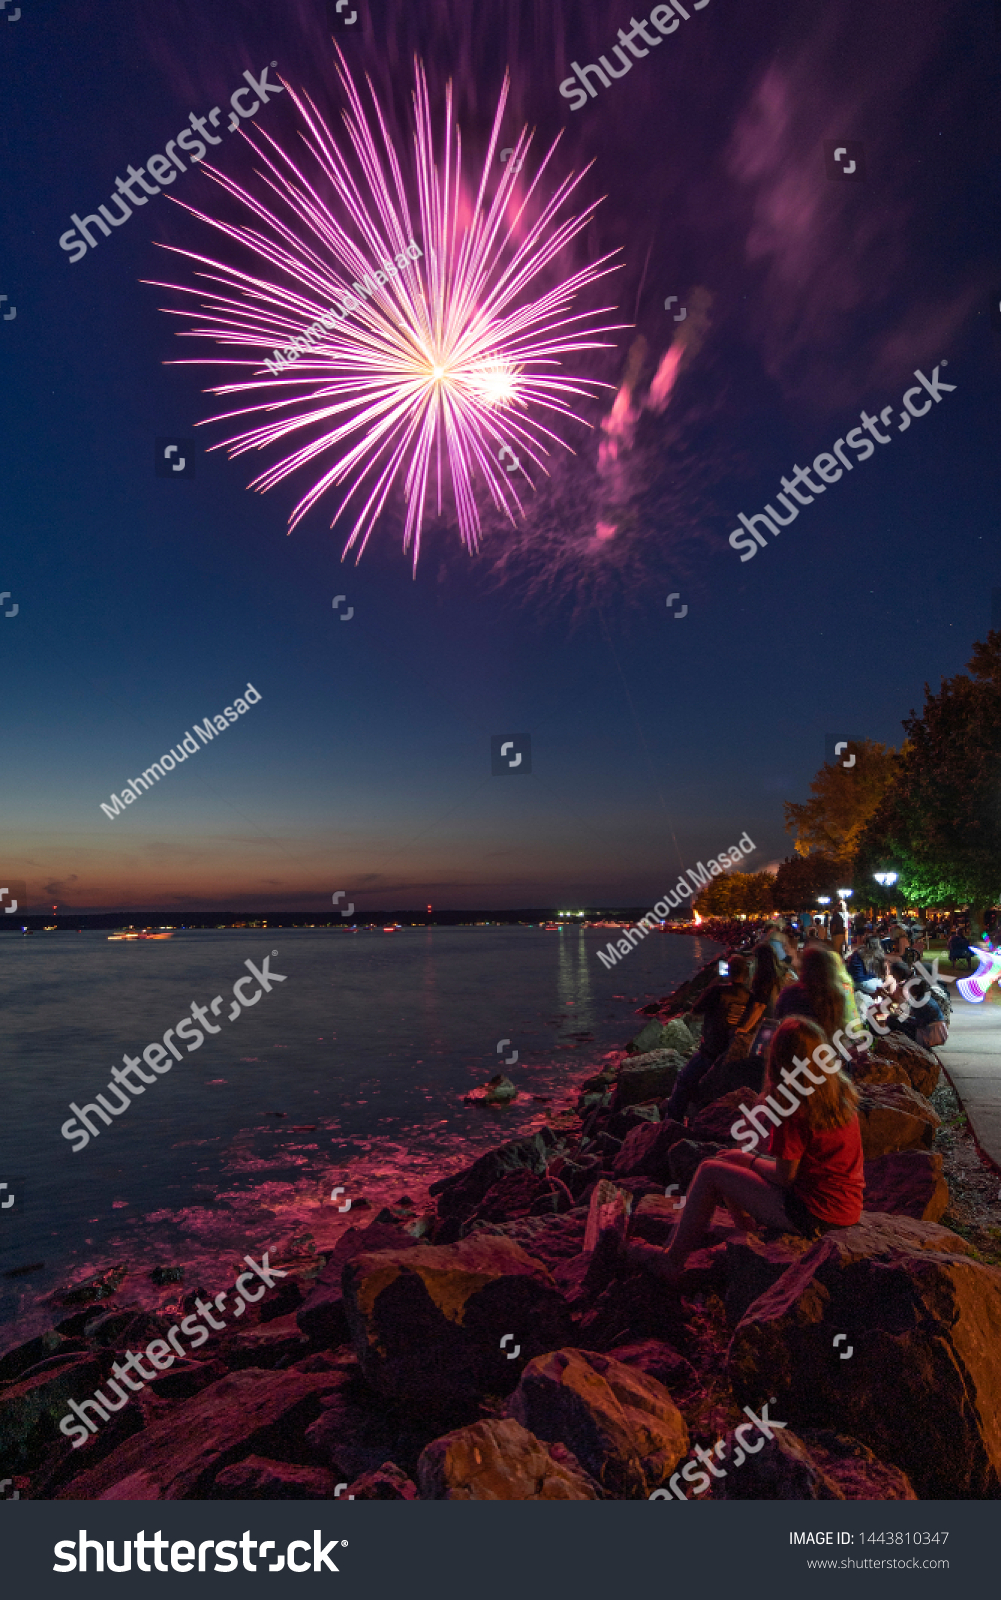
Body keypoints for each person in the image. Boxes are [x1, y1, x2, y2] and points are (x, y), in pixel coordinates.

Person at [625, 1017, 864, 1282]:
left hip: (815, 1214)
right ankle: (748, 1239)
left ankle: (671, 1261)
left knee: (710, 1171)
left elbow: (786, 1176)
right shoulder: (838, 1093)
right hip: (846, 1206)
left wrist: (748, 1160)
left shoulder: (797, 1106)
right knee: (734, 1164)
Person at [667, 954, 752, 1122]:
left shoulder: (717, 991)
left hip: (710, 1053)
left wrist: (712, 986)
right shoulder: (750, 998)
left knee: (683, 1081)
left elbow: (695, 1011)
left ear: (728, 972)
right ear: (747, 974)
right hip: (731, 1056)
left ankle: (671, 1123)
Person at [774, 943, 849, 1038]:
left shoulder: (790, 994)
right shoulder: (836, 996)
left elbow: (778, 1021)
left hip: (795, 1047)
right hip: (825, 1049)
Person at [884, 960, 948, 1047]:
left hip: (931, 1035)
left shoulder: (920, 1002)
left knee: (892, 1020)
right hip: (935, 1031)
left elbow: (918, 1023)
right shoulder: (925, 998)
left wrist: (902, 1016)